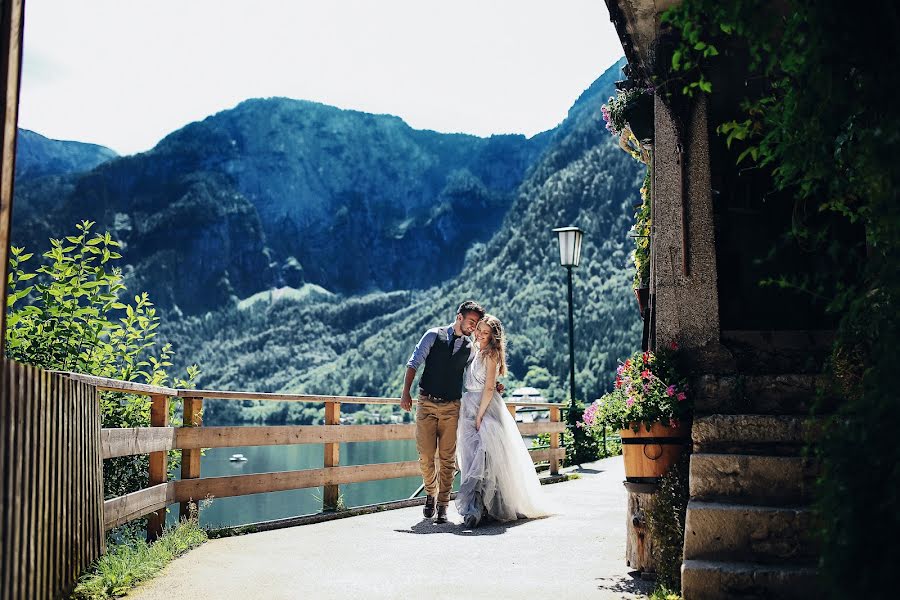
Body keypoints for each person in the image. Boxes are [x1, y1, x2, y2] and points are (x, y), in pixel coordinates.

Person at [455, 314, 550, 528]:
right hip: (468, 403)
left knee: (485, 454)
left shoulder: (491, 354)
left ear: (493, 337)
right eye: (479, 329)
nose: (479, 334)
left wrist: (479, 415)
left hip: (484, 407)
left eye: (485, 332)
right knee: (472, 456)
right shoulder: (475, 349)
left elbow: (489, 387)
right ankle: (480, 507)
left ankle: (479, 509)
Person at [401, 300, 485, 524]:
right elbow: (414, 363)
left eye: (476, 324)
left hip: (452, 407)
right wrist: (405, 393)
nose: (473, 327)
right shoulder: (432, 335)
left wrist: (492, 385)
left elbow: (474, 375)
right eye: (471, 321)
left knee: (448, 459)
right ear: (459, 317)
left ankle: (442, 505)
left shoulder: (470, 349)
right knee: (426, 455)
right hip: (426, 403)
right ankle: (430, 492)